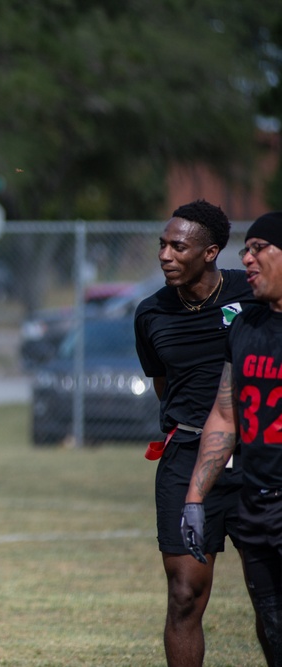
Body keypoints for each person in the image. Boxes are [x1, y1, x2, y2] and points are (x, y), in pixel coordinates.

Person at [134, 199, 263, 666]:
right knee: (184, 593)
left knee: (268, 594)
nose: (166, 255)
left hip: (256, 457)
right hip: (186, 454)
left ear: (210, 252)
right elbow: (164, 388)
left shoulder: (252, 296)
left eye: (178, 246)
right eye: (162, 245)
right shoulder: (151, 314)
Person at [183, 211, 282, 667]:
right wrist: (195, 497)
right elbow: (225, 415)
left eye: (259, 247)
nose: (246, 258)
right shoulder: (245, 327)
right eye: (245, 248)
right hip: (256, 504)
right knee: (273, 628)